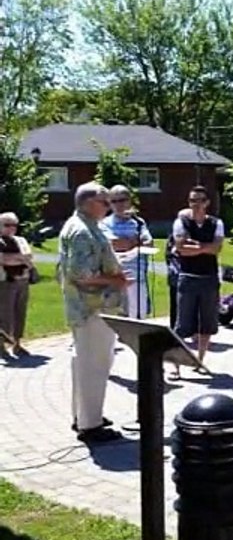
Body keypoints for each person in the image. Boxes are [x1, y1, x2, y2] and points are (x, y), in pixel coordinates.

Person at [59, 182, 128, 443]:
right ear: (88, 203)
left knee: (85, 363)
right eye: (104, 202)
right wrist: (116, 280)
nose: (109, 207)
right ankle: (91, 426)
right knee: (94, 365)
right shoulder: (81, 231)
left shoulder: (86, 225)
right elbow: (81, 274)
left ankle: (84, 415)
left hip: (91, 307)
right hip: (92, 309)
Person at [173, 186, 224, 376]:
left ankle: (200, 361)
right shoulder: (181, 222)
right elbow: (181, 248)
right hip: (187, 277)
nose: (196, 204)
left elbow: (217, 248)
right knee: (182, 323)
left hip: (209, 278)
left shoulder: (216, 223)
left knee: (207, 323)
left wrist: (196, 246)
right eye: (192, 200)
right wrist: (205, 248)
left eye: (200, 200)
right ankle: (176, 366)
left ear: (207, 203)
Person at [102, 185, 153, 319]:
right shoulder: (105, 223)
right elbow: (115, 244)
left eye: (122, 200)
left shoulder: (138, 222)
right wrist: (136, 242)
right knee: (118, 319)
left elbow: (149, 243)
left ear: (130, 201)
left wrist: (129, 243)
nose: (118, 205)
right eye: (114, 201)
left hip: (138, 279)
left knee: (139, 319)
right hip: (116, 279)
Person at [0, 212, 33, 357]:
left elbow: (29, 257)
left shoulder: (21, 240)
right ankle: (2, 345)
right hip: (5, 281)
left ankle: (17, 344)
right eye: (7, 225)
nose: (11, 228)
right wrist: (20, 258)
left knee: (20, 312)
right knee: (5, 313)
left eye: (14, 225)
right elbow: (3, 260)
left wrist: (15, 258)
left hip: (23, 280)